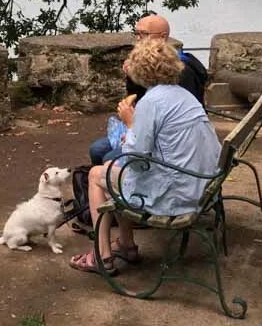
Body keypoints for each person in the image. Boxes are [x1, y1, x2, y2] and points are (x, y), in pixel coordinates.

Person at [69, 38, 221, 274]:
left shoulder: (151, 102)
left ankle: (101, 256)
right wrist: (134, 131)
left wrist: (130, 123)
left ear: (141, 70)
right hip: (200, 186)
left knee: (97, 174)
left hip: (176, 195)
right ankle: (125, 244)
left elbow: (136, 161)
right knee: (112, 171)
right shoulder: (183, 95)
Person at [88, 14, 208, 166]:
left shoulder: (182, 73)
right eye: (136, 33)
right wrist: (132, 76)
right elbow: (138, 98)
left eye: (143, 34)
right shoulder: (153, 78)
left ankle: (108, 178)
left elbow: (174, 121)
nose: (138, 39)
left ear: (162, 37)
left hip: (169, 143)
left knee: (108, 160)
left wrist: (131, 127)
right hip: (147, 129)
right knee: (97, 149)